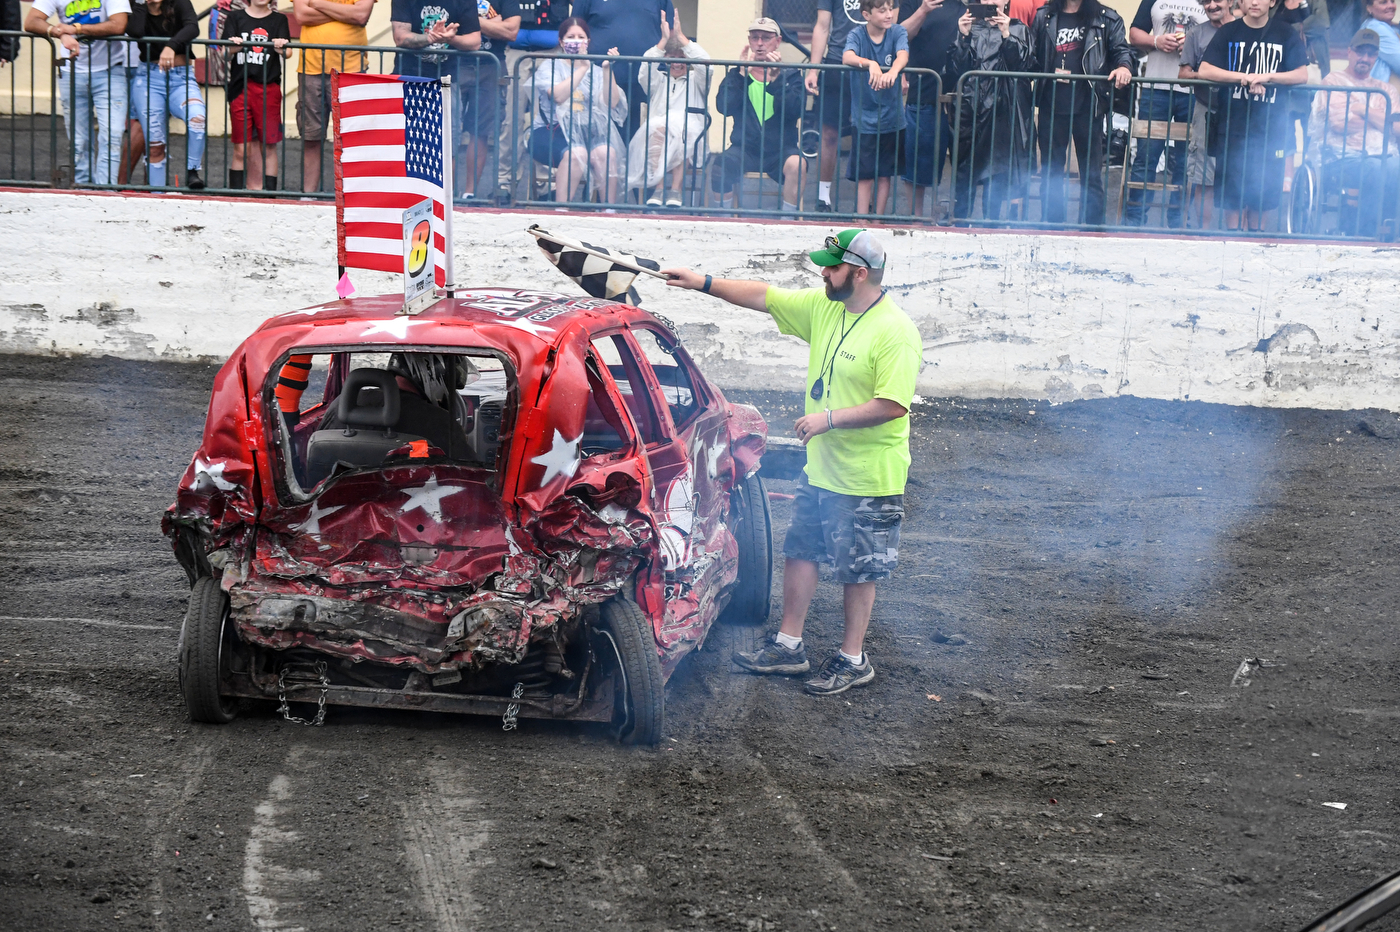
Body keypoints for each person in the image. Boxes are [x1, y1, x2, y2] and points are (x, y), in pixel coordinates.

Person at [661, 229, 921, 697]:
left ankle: (852, 658)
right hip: (822, 471)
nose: (823, 272)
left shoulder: (895, 331)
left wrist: (829, 419)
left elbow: (893, 404)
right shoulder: (828, 306)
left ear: (859, 273)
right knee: (801, 551)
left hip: (868, 476)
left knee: (858, 570)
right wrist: (701, 281)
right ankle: (788, 645)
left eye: (833, 267)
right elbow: (764, 296)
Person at [1198, 0, 1309, 230]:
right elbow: (1205, 69)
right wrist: (1243, 77)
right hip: (1233, 127)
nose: (1255, 2)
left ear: (1272, 2)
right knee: (1233, 199)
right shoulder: (1230, 31)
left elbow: (1302, 74)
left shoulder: (1285, 32)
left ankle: (1256, 245)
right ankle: (1234, 245)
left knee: (1263, 198)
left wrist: (1268, 77)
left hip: (1271, 130)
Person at [1029, 0, 1134, 224]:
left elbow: (1121, 50)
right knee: (1051, 173)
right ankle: (1052, 228)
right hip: (1051, 103)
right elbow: (1030, 54)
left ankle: (1092, 231)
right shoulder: (1044, 16)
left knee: (1091, 175)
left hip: (1090, 106)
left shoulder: (1106, 18)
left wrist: (1124, 66)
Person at [24, 0, 130, 185]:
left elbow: (119, 24)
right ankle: (83, 189)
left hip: (110, 70)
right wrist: (60, 33)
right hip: (72, 71)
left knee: (112, 135)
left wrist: (76, 29)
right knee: (79, 140)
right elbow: (31, 21)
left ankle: (106, 191)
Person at [1124, 0, 1208, 226]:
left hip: (1192, 89)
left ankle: (1178, 218)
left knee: (1186, 160)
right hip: (1156, 86)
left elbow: (1219, 35)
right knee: (1146, 155)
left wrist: (1193, 47)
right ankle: (1134, 219)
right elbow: (1133, 34)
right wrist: (1156, 41)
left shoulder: (1207, 2)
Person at [711, 18, 807, 212]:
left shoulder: (791, 75)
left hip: (781, 149)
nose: (760, 43)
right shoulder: (738, 73)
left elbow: (795, 111)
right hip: (745, 148)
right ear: (749, 41)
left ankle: (787, 222)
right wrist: (740, 75)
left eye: (766, 38)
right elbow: (724, 107)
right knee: (720, 165)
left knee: (798, 164)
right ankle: (721, 218)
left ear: (778, 41)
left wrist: (778, 79)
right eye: (755, 38)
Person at [948, 0, 1033, 219]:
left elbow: (1024, 68)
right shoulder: (968, 27)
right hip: (971, 110)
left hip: (1003, 113)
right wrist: (963, 37)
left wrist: (1007, 36)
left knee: (996, 175)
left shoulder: (1018, 28)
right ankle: (960, 223)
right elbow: (955, 69)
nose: (990, 1)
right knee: (966, 172)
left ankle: (991, 226)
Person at [1312, 28, 1400, 235]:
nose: (1365, 58)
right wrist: (1380, 118)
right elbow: (1340, 125)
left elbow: (1397, 128)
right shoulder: (1333, 81)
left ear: (1376, 57)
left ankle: (1387, 228)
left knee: (1394, 167)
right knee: (1375, 168)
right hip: (1341, 155)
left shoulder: (1387, 90)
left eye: (1371, 54)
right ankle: (1365, 233)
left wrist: (1362, 110)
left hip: (1384, 154)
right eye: (1361, 52)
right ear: (1349, 52)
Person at [530, 17, 628, 204]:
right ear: (561, 41)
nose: (576, 41)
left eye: (580, 36)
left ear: (588, 42)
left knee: (607, 153)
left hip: (588, 131)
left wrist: (607, 71)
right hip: (551, 130)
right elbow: (557, 96)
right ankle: (562, 210)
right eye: (571, 36)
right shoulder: (550, 66)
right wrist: (582, 68)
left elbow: (611, 103)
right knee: (577, 153)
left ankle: (609, 210)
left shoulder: (597, 71)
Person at [625, 11, 710, 207]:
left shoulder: (697, 82)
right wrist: (663, 41)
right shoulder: (657, 81)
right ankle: (660, 188)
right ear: (665, 59)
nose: (678, 62)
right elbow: (645, 69)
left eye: (683, 57)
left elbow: (707, 66)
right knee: (660, 130)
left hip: (691, 140)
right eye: (672, 57)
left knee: (680, 132)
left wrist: (681, 38)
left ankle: (674, 190)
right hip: (658, 138)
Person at [292, 0, 375, 193]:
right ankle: (308, 196)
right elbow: (302, 16)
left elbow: (361, 16)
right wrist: (346, 14)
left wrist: (317, 3)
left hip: (352, 69)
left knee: (352, 138)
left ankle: (352, 196)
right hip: (311, 69)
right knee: (311, 136)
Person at [126, 0, 207, 189]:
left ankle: (192, 170)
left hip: (181, 77)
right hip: (148, 78)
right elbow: (136, 31)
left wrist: (171, 45)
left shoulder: (178, 2)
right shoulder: (136, 8)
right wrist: (140, 4)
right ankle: (158, 196)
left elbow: (192, 27)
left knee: (197, 118)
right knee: (155, 145)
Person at [570, 0, 675, 139]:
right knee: (602, 142)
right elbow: (574, 28)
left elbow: (671, 31)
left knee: (644, 141)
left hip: (647, 79)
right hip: (600, 80)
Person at [898, 0, 965, 216]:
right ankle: (915, 218)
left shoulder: (963, 5)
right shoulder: (914, 2)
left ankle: (958, 215)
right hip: (924, 91)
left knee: (963, 163)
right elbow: (900, 35)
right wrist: (923, 10)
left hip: (962, 97)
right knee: (918, 160)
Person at [842, 0, 909, 214]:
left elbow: (903, 55)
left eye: (890, 9)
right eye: (882, 11)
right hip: (864, 119)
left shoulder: (897, 31)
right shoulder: (857, 34)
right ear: (866, 14)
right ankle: (862, 219)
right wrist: (871, 63)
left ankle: (879, 219)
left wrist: (893, 72)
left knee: (884, 173)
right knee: (865, 174)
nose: (889, 14)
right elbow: (847, 56)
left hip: (892, 117)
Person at [1179, 0, 1235, 226]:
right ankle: (1204, 236)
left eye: (1217, 0)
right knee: (1204, 177)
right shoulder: (1196, 33)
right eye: (1206, 1)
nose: (1211, 5)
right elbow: (1183, 75)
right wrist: (1205, 75)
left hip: (1240, 112)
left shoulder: (1244, 28)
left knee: (1239, 177)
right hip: (1206, 111)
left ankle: (1237, 240)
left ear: (1230, 1)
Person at [225, 0, 292, 191]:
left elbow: (288, 52)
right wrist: (233, 46)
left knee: (269, 146)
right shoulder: (235, 17)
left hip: (268, 88)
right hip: (241, 87)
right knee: (241, 147)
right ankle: (234, 197)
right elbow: (225, 51)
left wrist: (282, 47)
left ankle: (270, 197)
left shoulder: (279, 20)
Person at [806, 0, 865, 210]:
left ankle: (867, 202)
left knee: (868, 134)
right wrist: (814, 70)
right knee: (829, 133)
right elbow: (822, 26)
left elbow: (893, 24)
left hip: (870, 64)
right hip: (836, 62)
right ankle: (823, 197)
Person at [461, 0, 519, 200]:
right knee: (445, 130)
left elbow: (511, 32)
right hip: (454, 61)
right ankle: (443, 192)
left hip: (491, 65)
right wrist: (494, 24)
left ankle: (469, 193)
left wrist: (469, 20)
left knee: (481, 131)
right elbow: (447, 21)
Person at [1272, 0, 1329, 77]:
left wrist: (1287, 30)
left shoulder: (1315, 2)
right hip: (1277, 60)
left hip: (1306, 59)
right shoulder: (1275, 3)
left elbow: (1321, 23)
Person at [1359, 0, 1399, 81]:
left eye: (1392, 1)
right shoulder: (1377, 29)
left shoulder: (1390, 27)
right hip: (1380, 90)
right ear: (1369, 8)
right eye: (1383, 2)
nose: (1391, 6)